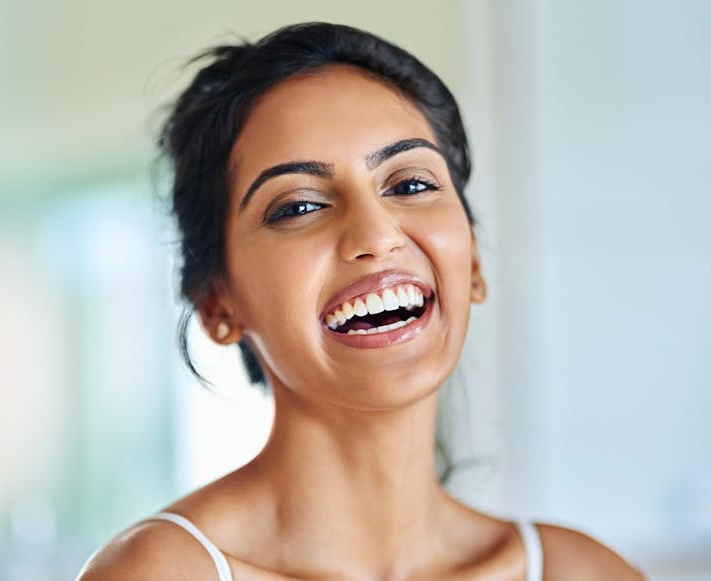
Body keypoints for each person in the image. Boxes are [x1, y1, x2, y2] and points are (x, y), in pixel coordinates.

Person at [77, 22, 643, 580]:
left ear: (471, 262)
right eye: (298, 206)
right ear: (219, 305)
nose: (376, 236)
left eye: (411, 185)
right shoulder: (160, 573)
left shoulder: (581, 572)